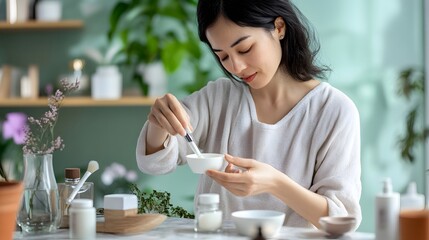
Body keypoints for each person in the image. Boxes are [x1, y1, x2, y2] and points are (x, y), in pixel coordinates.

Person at [136, 0, 361, 229]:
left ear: (279, 28)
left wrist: (275, 183)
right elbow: (156, 164)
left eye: (245, 49)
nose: (236, 67)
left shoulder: (333, 111)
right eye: (223, 56)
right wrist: (159, 124)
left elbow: (341, 220)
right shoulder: (218, 98)